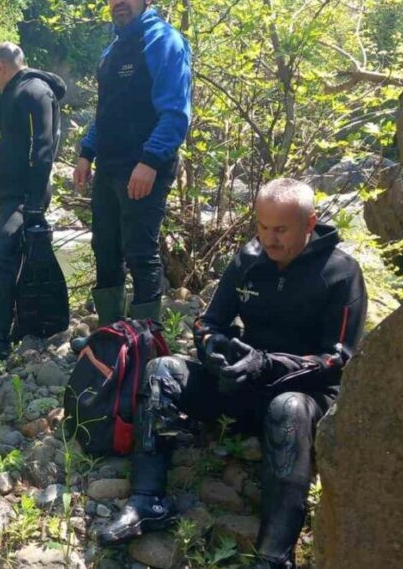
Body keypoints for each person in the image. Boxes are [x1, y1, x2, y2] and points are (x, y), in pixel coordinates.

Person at [100, 179, 367, 569]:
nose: (270, 239)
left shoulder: (341, 273)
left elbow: (339, 358)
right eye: (262, 226)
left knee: (287, 407)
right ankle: (147, 499)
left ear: (309, 223)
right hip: (243, 382)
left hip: (305, 394)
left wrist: (269, 363)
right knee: (162, 371)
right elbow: (209, 322)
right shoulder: (249, 258)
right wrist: (213, 352)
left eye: (281, 230)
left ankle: (274, 555)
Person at [72, 0, 192, 324]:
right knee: (104, 248)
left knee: (140, 251)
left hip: (143, 167)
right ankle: (111, 335)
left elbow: (176, 113)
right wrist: (85, 152)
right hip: (109, 166)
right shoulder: (113, 49)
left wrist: (150, 161)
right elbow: (107, 111)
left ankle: (145, 337)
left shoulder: (163, 41)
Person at [0, 42, 67, 361]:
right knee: (13, 258)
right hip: (12, 195)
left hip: (25, 196)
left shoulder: (34, 91)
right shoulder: (19, 91)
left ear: (0, 66)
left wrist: (33, 204)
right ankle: (22, 324)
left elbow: (43, 150)